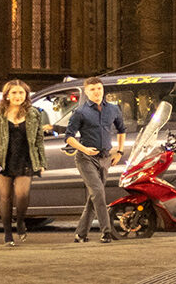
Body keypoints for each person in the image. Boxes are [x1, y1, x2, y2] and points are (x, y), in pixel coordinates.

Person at [0, 79, 47, 246]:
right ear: (7, 95)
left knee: (22, 195)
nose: (18, 96)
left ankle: (20, 221)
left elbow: (39, 139)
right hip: (3, 159)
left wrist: (41, 161)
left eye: (21, 93)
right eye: (14, 93)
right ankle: (7, 233)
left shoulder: (34, 113)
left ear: (26, 94)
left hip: (26, 158)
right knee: (5, 197)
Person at [63, 77, 127, 244]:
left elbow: (122, 130)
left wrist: (119, 151)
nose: (97, 92)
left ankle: (80, 234)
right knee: (98, 192)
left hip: (105, 158)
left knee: (94, 197)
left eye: (99, 88)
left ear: (103, 89)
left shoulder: (113, 109)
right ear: (86, 92)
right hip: (85, 159)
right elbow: (68, 137)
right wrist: (84, 149)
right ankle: (107, 231)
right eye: (92, 89)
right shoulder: (80, 112)